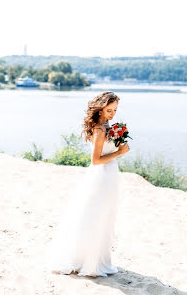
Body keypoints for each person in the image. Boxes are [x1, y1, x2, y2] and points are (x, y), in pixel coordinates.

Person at [45, 91, 130, 277]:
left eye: (115, 110)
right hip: (101, 175)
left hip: (110, 175)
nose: (112, 114)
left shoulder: (108, 126)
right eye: (109, 110)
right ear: (100, 108)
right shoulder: (100, 129)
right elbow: (96, 160)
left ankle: (97, 258)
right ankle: (89, 262)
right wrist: (119, 153)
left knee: (106, 217)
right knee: (96, 216)